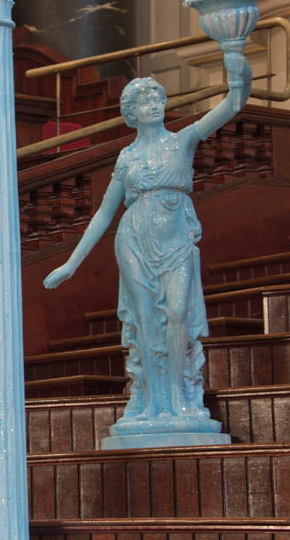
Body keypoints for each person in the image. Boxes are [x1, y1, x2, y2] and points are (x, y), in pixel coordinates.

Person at [44, 60, 251, 436]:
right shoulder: (127, 157)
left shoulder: (183, 140)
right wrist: (71, 264)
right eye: (144, 101)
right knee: (145, 322)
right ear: (131, 114)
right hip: (133, 242)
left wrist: (239, 71)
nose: (154, 104)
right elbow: (103, 214)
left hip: (176, 241)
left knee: (177, 313)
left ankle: (179, 399)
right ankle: (154, 403)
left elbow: (233, 105)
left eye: (157, 98)